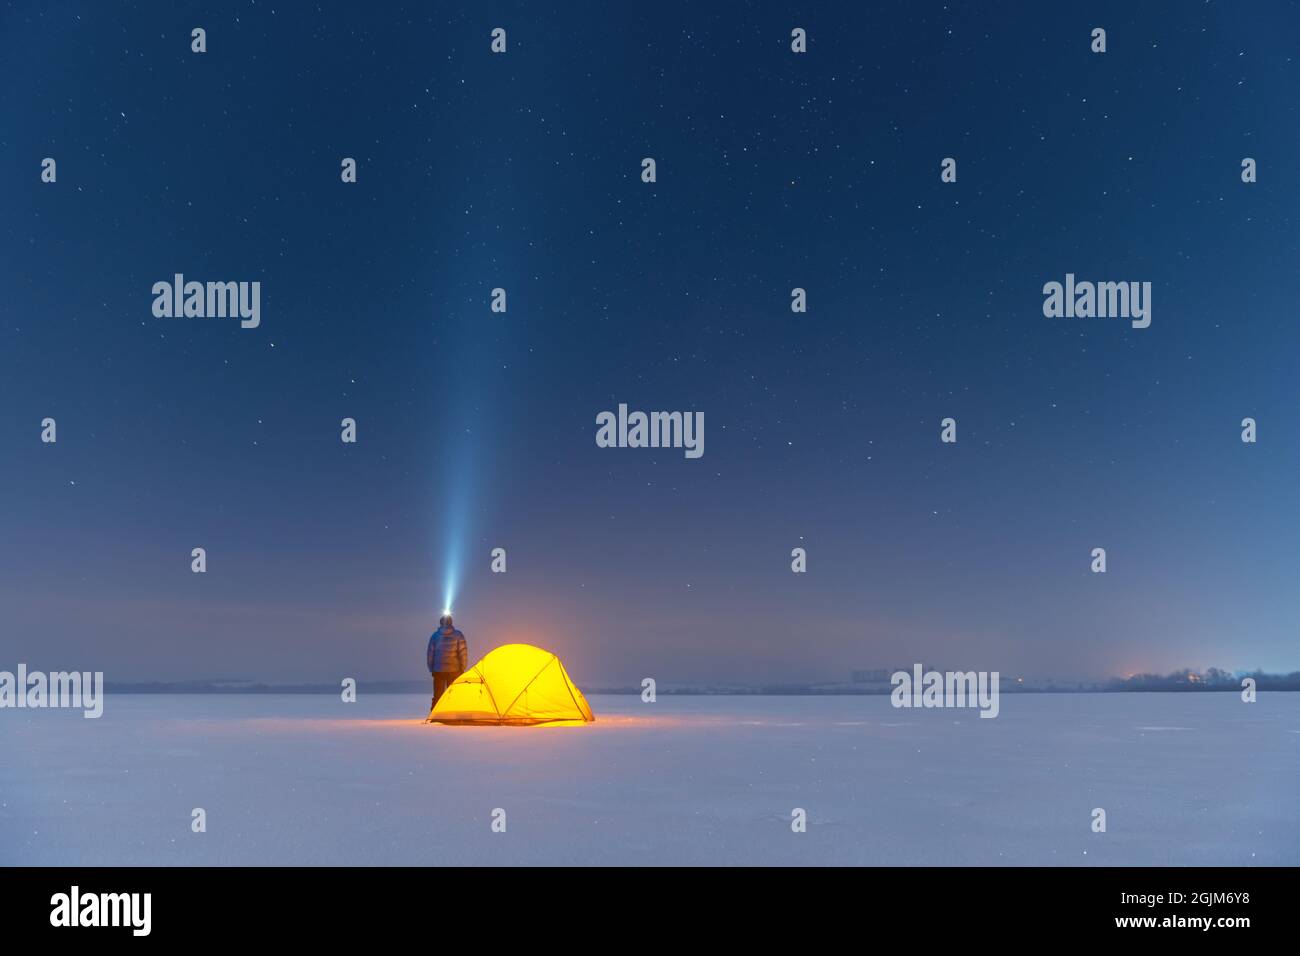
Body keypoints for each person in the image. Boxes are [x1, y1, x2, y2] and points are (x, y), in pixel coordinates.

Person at [426, 613, 468, 709]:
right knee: (453, 694)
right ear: (451, 622)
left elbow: (430, 654)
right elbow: (463, 653)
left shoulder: (435, 636)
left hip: (438, 670)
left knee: (438, 695)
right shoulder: (459, 635)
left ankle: (435, 716)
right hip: (454, 670)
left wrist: (431, 668)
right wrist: (462, 668)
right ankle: (452, 714)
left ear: (441, 623)